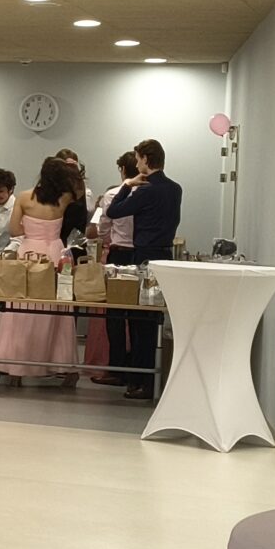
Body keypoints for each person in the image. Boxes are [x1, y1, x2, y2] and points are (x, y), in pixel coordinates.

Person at [103, 140, 183, 399]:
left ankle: (141, 380)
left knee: (140, 321)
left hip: (144, 257)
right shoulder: (175, 189)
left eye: (138, 159)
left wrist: (127, 185)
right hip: (165, 255)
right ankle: (147, 379)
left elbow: (114, 211)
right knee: (153, 319)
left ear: (146, 159)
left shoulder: (145, 190)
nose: (136, 164)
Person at [0, 155, 78, 382]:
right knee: (56, 309)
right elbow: (80, 195)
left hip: (29, 252)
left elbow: (14, 230)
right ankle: (61, 364)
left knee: (21, 306)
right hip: (55, 252)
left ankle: (16, 367)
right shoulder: (65, 198)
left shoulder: (24, 197)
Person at [82, 152, 140, 381]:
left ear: (123, 171)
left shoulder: (112, 194)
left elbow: (101, 229)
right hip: (140, 253)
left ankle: (116, 367)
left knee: (115, 313)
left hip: (118, 253)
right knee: (138, 314)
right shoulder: (148, 193)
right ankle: (136, 368)